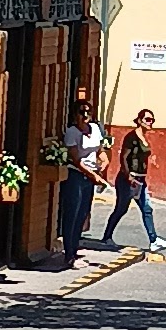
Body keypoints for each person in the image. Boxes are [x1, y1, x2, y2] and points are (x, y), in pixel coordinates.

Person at [98, 105, 159, 250]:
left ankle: (154, 240)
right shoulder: (132, 137)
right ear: (139, 120)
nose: (150, 122)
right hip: (128, 180)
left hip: (140, 179)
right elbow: (123, 157)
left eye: (152, 120)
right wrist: (128, 175)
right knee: (121, 209)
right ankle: (107, 237)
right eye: (147, 119)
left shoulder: (144, 137)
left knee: (146, 209)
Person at [58, 104, 103, 267]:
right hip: (76, 175)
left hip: (91, 175)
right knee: (72, 213)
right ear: (75, 114)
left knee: (83, 213)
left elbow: (100, 150)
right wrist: (93, 175)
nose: (85, 115)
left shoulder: (95, 129)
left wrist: (103, 163)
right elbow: (76, 159)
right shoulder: (72, 132)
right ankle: (68, 254)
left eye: (88, 112)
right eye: (81, 112)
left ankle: (75, 251)